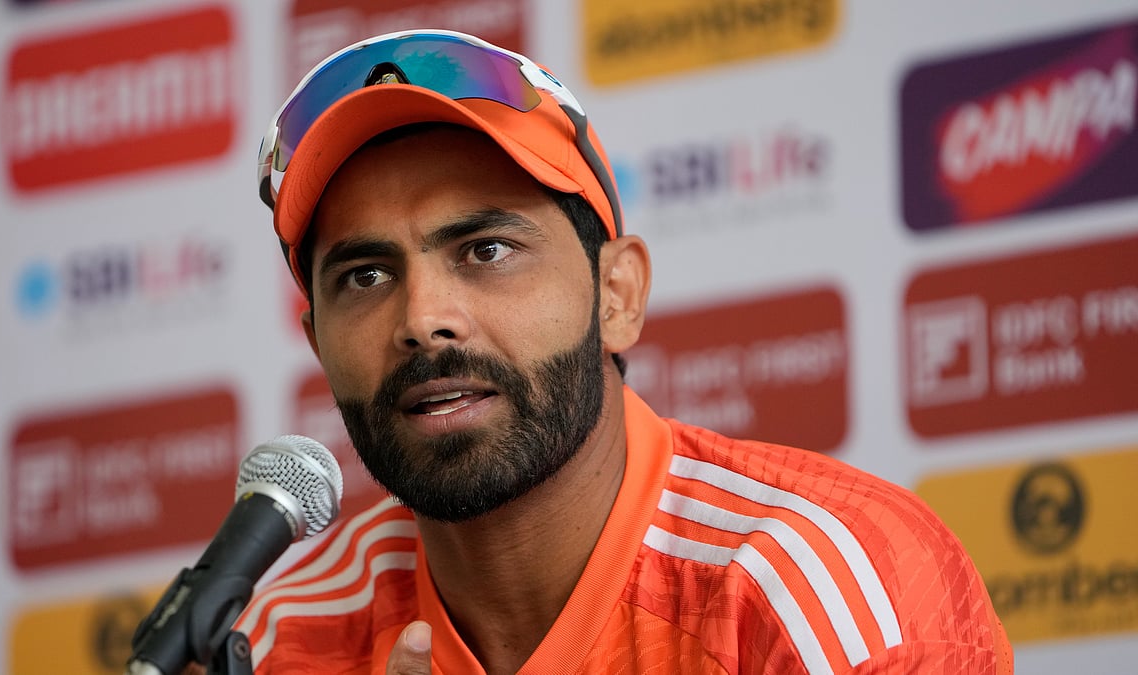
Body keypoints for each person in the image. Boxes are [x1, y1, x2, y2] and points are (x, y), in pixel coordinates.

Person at [233, 29, 1013, 675]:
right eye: (364, 275)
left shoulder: (835, 591)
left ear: (617, 295)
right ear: (317, 342)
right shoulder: (282, 640)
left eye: (486, 250)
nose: (423, 318)